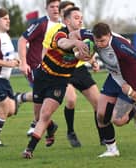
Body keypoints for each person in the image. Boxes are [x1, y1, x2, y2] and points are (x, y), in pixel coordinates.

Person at [69, 22, 136, 157]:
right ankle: (112, 150)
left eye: (102, 41)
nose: (99, 44)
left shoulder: (120, 46)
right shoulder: (90, 35)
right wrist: (78, 46)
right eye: (97, 41)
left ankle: (135, 109)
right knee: (100, 114)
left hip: (130, 82)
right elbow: (73, 34)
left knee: (118, 120)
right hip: (114, 78)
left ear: (109, 35)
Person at [22, 6, 91, 159]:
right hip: (43, 77)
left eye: (81, 18)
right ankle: (51, 128)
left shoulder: (84, 38)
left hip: (60, 81)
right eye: (76, 17)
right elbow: (63, 44)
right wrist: (76, 44)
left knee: (45, 114)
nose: (80, 20)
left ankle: (29, 149)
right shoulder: (60, 32)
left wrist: (89, 58)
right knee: (39, 115)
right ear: (66, 20)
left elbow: (79, 56)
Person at [43, 1, 107, 148]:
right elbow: (46, 51)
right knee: (71, 100)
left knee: (98, 102)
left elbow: (87, 49)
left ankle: (104, 137)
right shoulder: (55, 30)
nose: (78, 19)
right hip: (63, 70)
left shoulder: (82, 31)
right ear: (65, 17)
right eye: (72, 14)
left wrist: (93, 61)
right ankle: (71, 132)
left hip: (80, 70)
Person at [18, 0, 61, 146]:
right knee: (39, 113)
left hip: (55, 71)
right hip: (37, 69)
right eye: (52, 7)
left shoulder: (64, 26)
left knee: (43, 109)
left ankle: (49, 127)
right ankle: (49, 127)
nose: (55, 9)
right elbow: (23, 40)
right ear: (46, 8)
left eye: (58, 6)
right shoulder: (41, 24)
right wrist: (23, 63)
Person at [0, 8, 20, 146]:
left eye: (8, 18)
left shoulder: (6, 36)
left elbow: (7, 55)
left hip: (4, 80)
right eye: (4, 18)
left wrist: (15, 60)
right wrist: (8, 63)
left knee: (10, 110)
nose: (8, 20)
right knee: (3, 110)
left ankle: (21, 97)